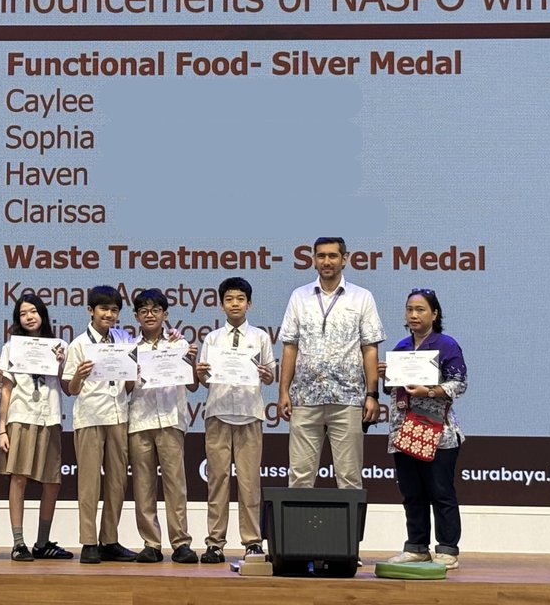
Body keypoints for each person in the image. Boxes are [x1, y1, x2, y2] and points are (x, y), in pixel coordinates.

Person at [278, 236, 384, 489]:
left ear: (344, 259)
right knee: (300, 478)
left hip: (348, 399)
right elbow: (290, 347)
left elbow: (370, 349)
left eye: (333, 256)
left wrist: (372, 394)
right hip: (305, 398)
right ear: (314, 260)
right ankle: (298, 520)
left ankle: (350, 520)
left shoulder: (362, 297)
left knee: (349, 479)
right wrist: (283, 391)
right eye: (322, 256)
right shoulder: (299, 296)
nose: (327, 261)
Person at [380, 288, 468, 570]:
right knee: (412, 492)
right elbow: (393, 390)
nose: (414, 315)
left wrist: (429, 391)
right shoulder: (401, 347)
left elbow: (459, 384)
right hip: (404, 430)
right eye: (410, 309)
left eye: (420, 309)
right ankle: (417, 547)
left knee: (440, 491)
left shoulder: (447, 345)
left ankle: (447, 549)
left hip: (438, 432)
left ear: (434, 314)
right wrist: (386, 375)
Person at [194, 277, 275, 564]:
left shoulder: (261, 337)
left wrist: (268, 375)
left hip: (249, 413)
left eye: (240, 299)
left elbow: (270, 375)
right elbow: (206, 379)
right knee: (217, 480)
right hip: (218, 413)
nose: (235, 304)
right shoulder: (212, 339)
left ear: (249, 303)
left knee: (250, 482)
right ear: (221, 305)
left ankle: (252, 542)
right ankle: (215, 542)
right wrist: (200, 373)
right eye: (229, 299)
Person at [0, 294, 73, 561]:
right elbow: (6, 389)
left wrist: (61, 364)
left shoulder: (59, 346)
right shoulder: (11, 347)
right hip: (21, 416)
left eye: (33, 311)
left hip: (50, 418)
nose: (29, 317)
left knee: (52, 482)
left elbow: (67, 387)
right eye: (23, 313)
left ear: (42, 314)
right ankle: (18, 543)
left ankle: (42, 542)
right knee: (18, 479)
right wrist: (1, 428)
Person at [62, 285, 137, 564]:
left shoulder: (124, 340)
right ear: (90, 311)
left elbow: (129, 385)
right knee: (89, 483)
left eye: (114, 310)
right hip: (91, 417)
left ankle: (109, 540)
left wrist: (134, 372)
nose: (109, 314)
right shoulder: (79, 344)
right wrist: (79, 376)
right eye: (104, 309)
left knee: (117, 482)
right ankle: (89, 542)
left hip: (119, 416)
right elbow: (70, 389)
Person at [126, 289, 199, 563]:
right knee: (143, 486)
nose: (150, 315)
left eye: (155, 310)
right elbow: (125, 388)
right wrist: (131, 372)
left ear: (165, 314)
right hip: (140, 420)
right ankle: (151, 544)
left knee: (175, 485)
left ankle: (180, 543)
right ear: (136, 316)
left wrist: (191, 359)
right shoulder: (129, 348)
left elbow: (193, 385)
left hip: (170, 419)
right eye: (143, 311)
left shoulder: (179, 344)